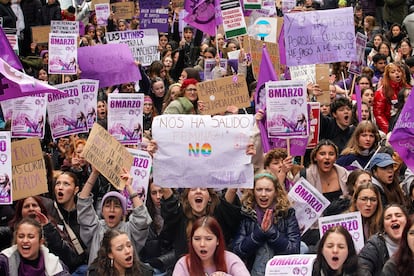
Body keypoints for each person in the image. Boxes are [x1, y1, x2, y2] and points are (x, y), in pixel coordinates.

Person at [77, 167, 152, 265]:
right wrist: (94, 174)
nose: (112, 209)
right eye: (107, 206)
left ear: (123, 212)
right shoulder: (95, 228)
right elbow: (83, 204)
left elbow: (142, 218)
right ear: (102, 211)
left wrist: (129, 187)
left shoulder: (130, 229)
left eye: (117, 206)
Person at [233, 170, 300, 275]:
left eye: (268, 190)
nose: (263, 194)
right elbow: (238, 250)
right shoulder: (246, 214)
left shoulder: (287, 213)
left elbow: (294, 249)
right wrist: (259, 233)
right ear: (253, 191)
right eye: (259, 189)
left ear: (276, 192)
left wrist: (271, 232)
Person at [173, 216, 249, 276]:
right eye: (197, 239)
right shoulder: (183, 264)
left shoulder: (231, 260)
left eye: (208, 239)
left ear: (217, 241)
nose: (202, 244)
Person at [0, 217, 71, 275]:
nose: (25, 241)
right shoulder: (5, 260)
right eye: (21, 236)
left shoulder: (54, 263)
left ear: (40, 242)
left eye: (30, 237)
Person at [359, 204, 409, 275]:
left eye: (398, 215)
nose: (394, 219)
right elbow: (361, 268)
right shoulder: (374, 244)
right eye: (388, 217)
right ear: (383, 227)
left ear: (408, 222)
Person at [89, 229, 153, 276]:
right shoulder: (96, 273)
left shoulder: (145, 272)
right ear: (110, 254)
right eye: (120, 248)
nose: (127, 251)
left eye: (129, 245)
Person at [373, 62, 409, 133]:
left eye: (399, 71)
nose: (397, 73)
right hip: (390, 127)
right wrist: (390, 131)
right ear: (388, 75)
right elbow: (379, 115)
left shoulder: (408, 89)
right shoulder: (381, 92)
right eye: (393, 72)